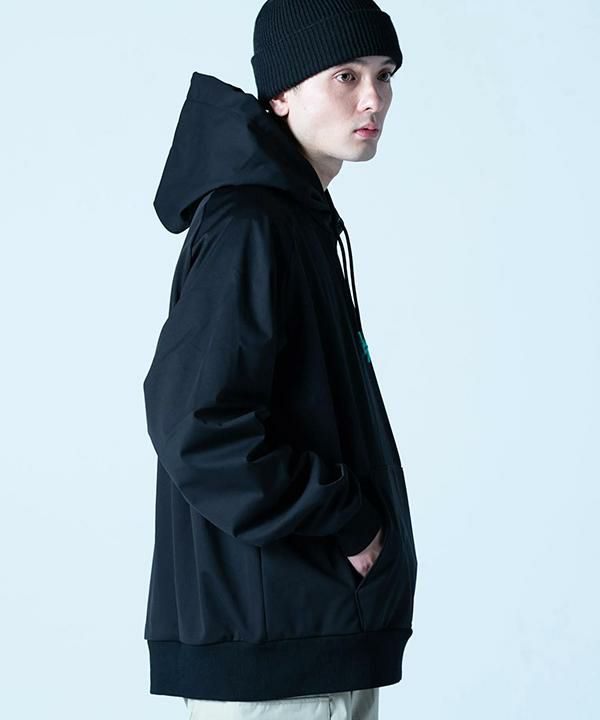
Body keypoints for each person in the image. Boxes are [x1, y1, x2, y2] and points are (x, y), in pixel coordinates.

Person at [142, 0, 418, 717]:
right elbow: (196, 426)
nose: (373, 98)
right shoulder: (252, 225)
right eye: (346, 75)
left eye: (384, 74)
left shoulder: (293, 218)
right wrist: (347, 518)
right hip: (280, 650)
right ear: (282, 93)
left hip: (304, 631)